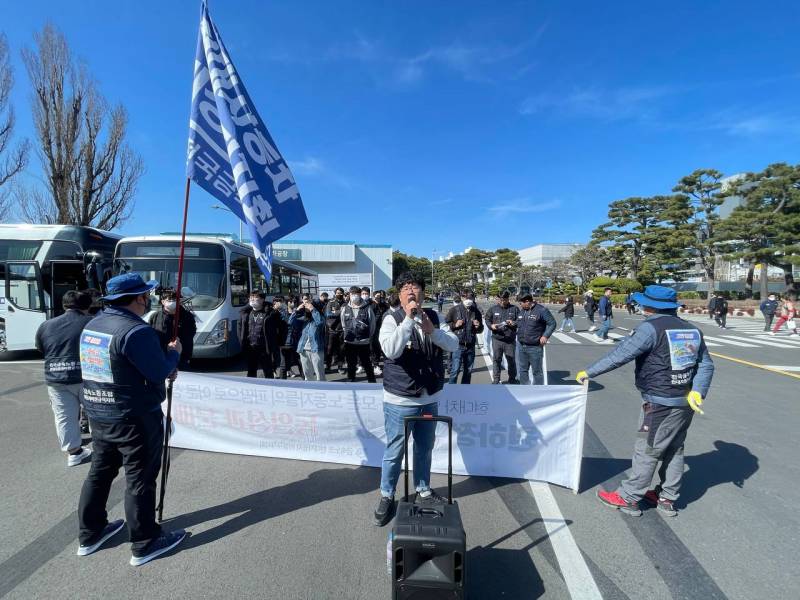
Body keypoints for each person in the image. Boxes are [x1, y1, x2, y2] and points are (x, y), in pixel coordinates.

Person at [76, 273, 187, 566]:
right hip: (134, 417)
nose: (148, 298)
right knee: (139, 478)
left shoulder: (93, 325)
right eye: (146, 294)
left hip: (99, 413)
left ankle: (91, 532)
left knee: (100, 472)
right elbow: (158, 371)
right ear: (138, 298)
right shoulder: (136, 331)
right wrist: (173, 355)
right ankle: (145, 541)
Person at [576, 285, 714, 517]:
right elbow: (707, 364)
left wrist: (589, 372)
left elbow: (620, 355)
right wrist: (698, 391)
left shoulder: (650, 328)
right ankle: (667, 497)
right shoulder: (691, 329)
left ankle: (629, 496)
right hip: (685, 401)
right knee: (674, 449)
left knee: (647, 449)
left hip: (660, 401)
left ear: (650, 306)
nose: (640, 307)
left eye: (642, 303)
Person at [373, 272, 459, 526]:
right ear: (399, 295)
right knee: (395, 450)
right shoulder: (391, 318)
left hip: (429, 397)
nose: (411, 291)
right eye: (406, 288)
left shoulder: (434, 316)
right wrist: (409, 320)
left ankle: (423, 489)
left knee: (425, 448)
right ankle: (387, 495)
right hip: (400, 399)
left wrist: (433, 332)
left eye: (416, 287)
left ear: (423, 292)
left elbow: (452, 344)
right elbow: (390, 349)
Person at [35, 290, 94, 467]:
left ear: (64, 305)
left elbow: (40, 348)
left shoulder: (46, 325)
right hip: (86, 376)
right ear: (87, 306)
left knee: (64, 416)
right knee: (96, 413)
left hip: (56, 377)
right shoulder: (91, 322)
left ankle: (74, 453)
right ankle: (103, 447)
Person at [149, 288, 196, 370]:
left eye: (175, 299)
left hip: (181, 359)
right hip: (160, 358)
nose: (172, 302)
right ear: (163, 301)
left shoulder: (187, 316)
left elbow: (190, 335)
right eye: (169, 299)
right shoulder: (155, 316)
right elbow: (151, 335)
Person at [238, 291, 280, 378]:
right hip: (250, 348)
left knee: (268, 371)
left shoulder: (270, 313)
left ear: (262, 299)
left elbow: (279, 329)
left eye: (255, 297)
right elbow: (240, 330)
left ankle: (270, 389)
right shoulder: (245, 313)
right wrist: (242, 342)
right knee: (251, 372)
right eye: (251, 297)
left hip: (264, 349)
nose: (252, 299)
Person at [517, 293, 556, 385]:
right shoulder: (523, 310)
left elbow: (552, 323)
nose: (520, 305)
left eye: (520, 303)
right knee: (523, 370)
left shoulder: (541, 310)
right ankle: (524, 390)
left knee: (537, 372)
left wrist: (545, 335)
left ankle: (537, 393)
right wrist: (513, 323)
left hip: (535, 347)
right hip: (522, 345)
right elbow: (521, 323)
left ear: (527, 302)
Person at [445, 291, 483, 384]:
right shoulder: (454, 310)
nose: (468, 300)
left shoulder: (476, 311)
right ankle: (452, 390)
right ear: (461, 298)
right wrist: (455, 324)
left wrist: (478, 326)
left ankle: (465, 390)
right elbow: (445, 324)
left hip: (470, 345)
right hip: (458, 345)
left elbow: (481, 329)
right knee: (455, 370)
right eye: (466, 298)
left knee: (468, 370)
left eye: (470, 298)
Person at [342, 285, 376, 382]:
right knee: (351, 364)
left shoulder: (367, 308)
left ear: (360, 295)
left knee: (367, 364)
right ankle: (351, 381)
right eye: (352, 294)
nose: (354, 296)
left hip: (363, 342)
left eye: (356, 294)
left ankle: (372, 382)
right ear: (349, 294)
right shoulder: (345, 308)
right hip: (350, 342)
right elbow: (344, 324)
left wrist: (368, 337)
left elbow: (372, 324)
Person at [485, 291, 520, 384]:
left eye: (504, 299)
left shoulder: (515, 309)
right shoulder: (493, 309)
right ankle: (496, 379)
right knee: (496, 359)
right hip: (497, 339)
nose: (502, 301)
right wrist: (491, 326)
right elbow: (487, 319)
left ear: (508, 299)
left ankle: (512, 379)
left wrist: (514, 323)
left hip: (510, 340)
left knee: (511, 361)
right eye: (500, 299)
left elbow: (520, 321)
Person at [294, 294, 326, 381]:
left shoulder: (319, 314)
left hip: (316, 348)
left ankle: (323, 391)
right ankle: (310, 391)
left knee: (320, 374)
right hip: (303, 348)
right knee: (307, 375)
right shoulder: (302, 317)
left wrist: (313, 310)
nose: (306, 301)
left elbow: (320, 323)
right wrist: (296, 311)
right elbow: (290, 323)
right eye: (304, 299)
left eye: (308, 299)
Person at [278, 296, 305, 379]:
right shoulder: (282, 313)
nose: (293, 303)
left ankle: (306, 381)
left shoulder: (301, 313)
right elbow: (288, 323)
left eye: (295, 301)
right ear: (287, 303)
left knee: (301, 363)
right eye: (290, 301)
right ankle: (282, 384)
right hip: (285, 342)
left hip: (297, 341)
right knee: (283, 365)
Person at [324, 287, 347, 374]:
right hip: (332, 330)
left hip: (342, 329)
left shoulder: (345, 304)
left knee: (341, 349)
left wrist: (335, 312)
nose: (339, 294)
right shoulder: (331, 302)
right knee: (330, 349)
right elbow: (328, 314)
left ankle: (340, 367)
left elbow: (347, 315)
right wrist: (339, 312)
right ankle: (328, 366)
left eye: (341, 293)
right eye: (338, 293)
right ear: (335, 293)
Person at [371, 290, 389, 376]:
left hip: (383, 328)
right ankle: (376, 365)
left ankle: (386, 364)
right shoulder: (370, 305)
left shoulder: (384, 305)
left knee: (383, 347)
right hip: (374, 330)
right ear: (374, 296)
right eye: (377, 296)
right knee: (375, 348)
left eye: (380, 296)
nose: (379, 298)